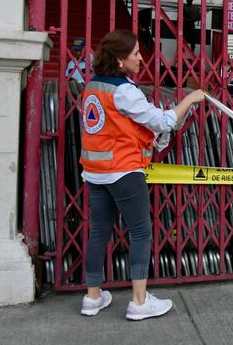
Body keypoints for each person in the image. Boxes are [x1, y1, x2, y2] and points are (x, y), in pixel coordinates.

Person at [78, 29, 206, 319]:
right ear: (120, 60)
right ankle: (138, 302)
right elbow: (163, 120)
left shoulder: (93, 86)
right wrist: (190, 99)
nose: (140, 57)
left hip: (95, 172)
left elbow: (118, 126)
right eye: (135, 53)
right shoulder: (124, 90)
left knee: (98, 232)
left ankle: (92, 297)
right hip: (123, 171)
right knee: (141, 231)